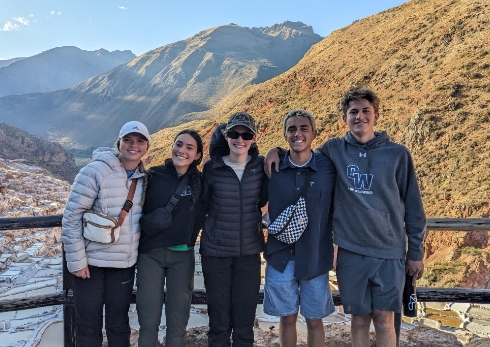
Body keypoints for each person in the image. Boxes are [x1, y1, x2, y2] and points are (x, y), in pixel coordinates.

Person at [265, 87, 426, 347]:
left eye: (365, 111)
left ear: (376, 115)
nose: (359, 117)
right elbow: (300, 150)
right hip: (351, 251)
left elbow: (414, 208)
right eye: (353, 112)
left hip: (389, 251)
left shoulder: (398, 155)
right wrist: (276, 151)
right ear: (345, 118)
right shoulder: (334, 150)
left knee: (385, 320)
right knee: (359, 319)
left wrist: (415, 251)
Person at [62, 120, 150, 347]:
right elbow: (72, 217)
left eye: (140, 141)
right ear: (119, 143)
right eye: (128, 140)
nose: (134, 145)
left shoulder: (143, 178)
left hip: (123, 265)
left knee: (119, 325)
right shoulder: (95, 171)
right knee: (88, 325)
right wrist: (77, 261)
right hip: (90, 265)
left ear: (147, 147)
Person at [264, 110, 336, 347]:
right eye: (292, 129)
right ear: (285, 135)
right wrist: (273, 151)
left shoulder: (327, 167)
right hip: (280, 256)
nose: (298, 134)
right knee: (287, 318)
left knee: (315, 320)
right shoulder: (272, 167)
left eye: (304, 128)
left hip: (314, 255)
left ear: (314, 133)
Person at [200, 112, 268, 347]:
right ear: (226, 135)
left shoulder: (261, 167)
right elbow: (201, 206)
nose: (240, 139)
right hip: (215, 253)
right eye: (234, 134)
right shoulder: (211, 168)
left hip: (248, 255)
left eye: (246, 134)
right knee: (218, 323)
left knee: (244, 324)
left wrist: (277, 152)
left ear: (254, 138)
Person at [136, 129, 204, 347]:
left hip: (182, 257)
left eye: (189, 147)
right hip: (150, 256)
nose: (182, 150)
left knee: (178, 325)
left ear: (198, 155)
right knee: (148, 324)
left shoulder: (202, 184)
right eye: (178, 144)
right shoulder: (153, 176)